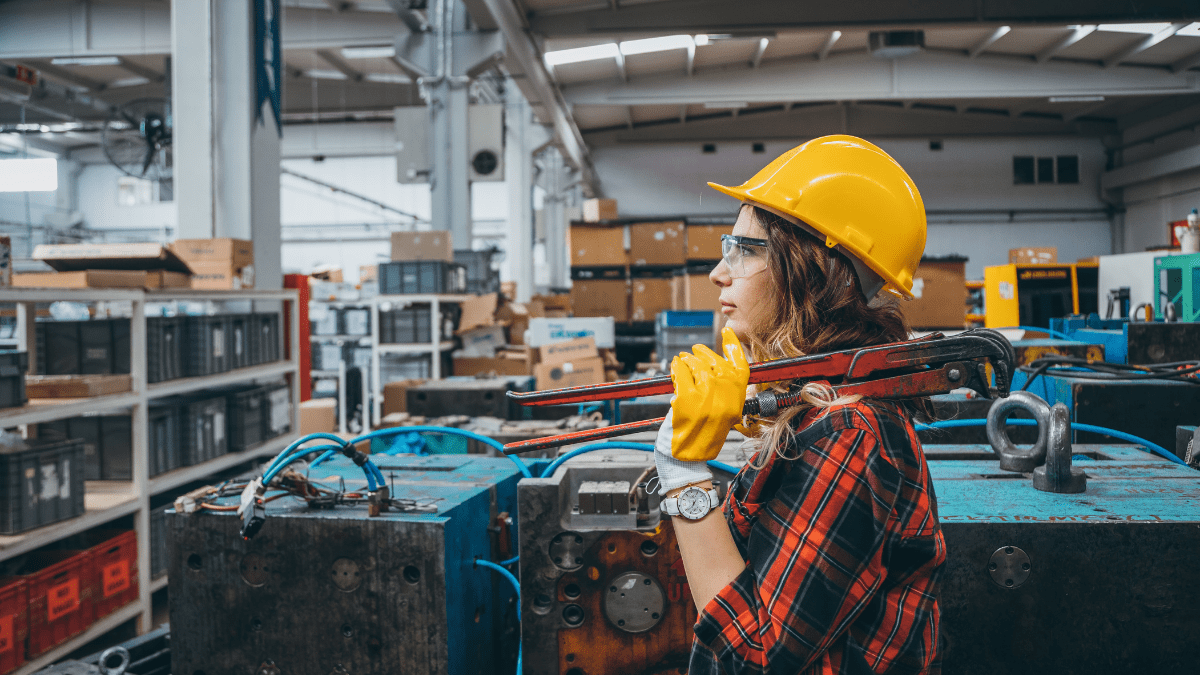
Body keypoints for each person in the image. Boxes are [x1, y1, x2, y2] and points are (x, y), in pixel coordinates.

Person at [653, 135, 945, 674]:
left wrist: (683, 477)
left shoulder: (852, 432)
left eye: (744, 250)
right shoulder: (819, 410)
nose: (720, 272)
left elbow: (757, 658)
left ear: (808, 270)